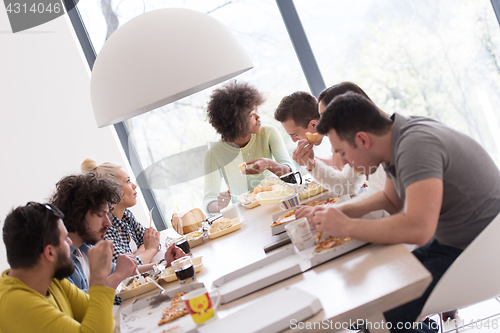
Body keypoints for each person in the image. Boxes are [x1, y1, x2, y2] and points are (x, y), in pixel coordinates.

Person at [304, 91, 500, 333]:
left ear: (363, 140)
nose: (342, 162)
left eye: (342, 152)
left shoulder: (415, 147)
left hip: (481, 251)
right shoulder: (397, 135)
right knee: (369, 303)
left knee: (377, 318)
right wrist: (334, 212)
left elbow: (417, 229)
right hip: (459, 240)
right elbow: (390, 199)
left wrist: (345, 226)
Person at [49, 172, 185, 304]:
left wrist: (164, 264)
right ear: (78, 215)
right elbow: (78, 304)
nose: (108, 223)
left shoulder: (86, 249)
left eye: (107, 215)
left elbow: (126, 271)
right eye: (100, 215)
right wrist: (118, 276)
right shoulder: (59, 261)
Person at [0, 202, 116, 333]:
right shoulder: (17, 304)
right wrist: (99, 276)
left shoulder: (52, 281)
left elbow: (104, 318)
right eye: (65, 238)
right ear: (50, 252)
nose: (70, 243)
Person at [204, 80, 293, 213]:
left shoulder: (268, 133)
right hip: (247, 215)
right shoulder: (214, 153)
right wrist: (219, 206)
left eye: (255, 111)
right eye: (252, 114)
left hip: (279, 205)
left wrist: (269, 164)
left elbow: (291, 176)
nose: (258, 117)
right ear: (236, 122)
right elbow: (208, 200)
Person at [81, 158, 161, 265]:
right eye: (128, 181)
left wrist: (141, 254)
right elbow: (124, 269)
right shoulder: (103, 229)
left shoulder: (126, 215)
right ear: (111, 190)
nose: (134, 186)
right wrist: (150, 250)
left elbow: (153, 241)